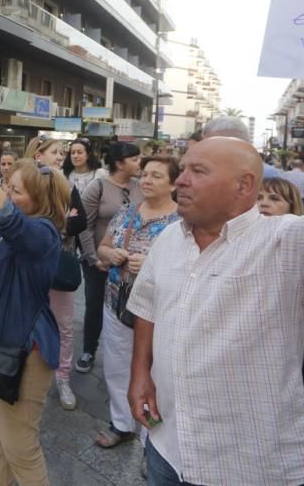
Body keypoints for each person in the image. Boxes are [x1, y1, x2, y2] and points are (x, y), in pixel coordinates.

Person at [127, 62, 304, 485]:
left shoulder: (283, 240)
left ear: (244, 187)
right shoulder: (169, 239)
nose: (179, 181)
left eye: (197, 172)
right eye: (182, 169)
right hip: (166, 444)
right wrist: (139, 376)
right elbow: (147, 307)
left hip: (246, 461)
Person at [0, 131, 68, 485]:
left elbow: (7, 218)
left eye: (16, 191)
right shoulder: (6, 234)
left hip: (25, 352)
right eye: (7, 186)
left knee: (20, 445)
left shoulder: (43, 233)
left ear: (40, 199)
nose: (6, 194)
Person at [95, 156, 179, 449]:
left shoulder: (182, 222)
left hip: (158, 312)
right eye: (145, 174)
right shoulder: (127, 212)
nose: (147, 180)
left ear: (173, 184)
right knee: (116, 365)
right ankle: (121, 423)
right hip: (117, 302)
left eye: (157, 176)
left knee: (155, 372)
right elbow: (102, 247)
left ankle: (151, 439)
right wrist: (110, 255)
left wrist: (153, 264)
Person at [256, 177, 304, 406]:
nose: (264, 203)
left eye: (274, 198)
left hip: (284, 357)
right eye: (259, 198)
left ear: (292, 206)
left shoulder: (303, 249)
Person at [25, 134, 86, 411]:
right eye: (54, 152)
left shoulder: (68, 185)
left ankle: (62, 378)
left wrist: (49, 226)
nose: (61, 156)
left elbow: (80, 221)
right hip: (26, 265)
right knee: (27, 320)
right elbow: (16, 219)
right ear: (38, 156)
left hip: (59, 263)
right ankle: (25, 370)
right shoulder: (23, 182)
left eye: (62, 152)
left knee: (63, 324)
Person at [75, 141, 142, 374]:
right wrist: (94, 258)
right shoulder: (98, 187)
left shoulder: (141, 187)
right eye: (134, 159)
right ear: (119, 163)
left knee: (127, 307)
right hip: (98, 261)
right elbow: (85, 225)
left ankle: (127, 357)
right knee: (94, 305)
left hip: (130, 263)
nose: (138, 163)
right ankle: (89, 350)